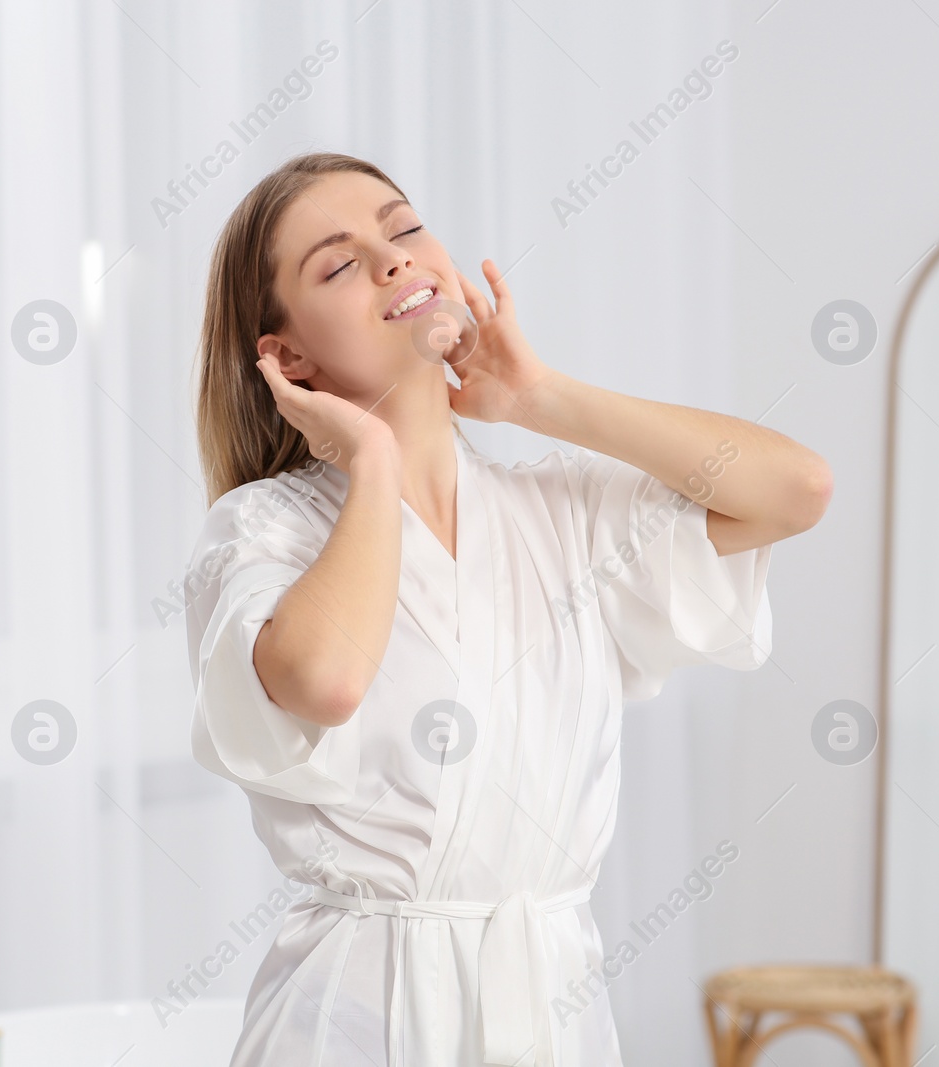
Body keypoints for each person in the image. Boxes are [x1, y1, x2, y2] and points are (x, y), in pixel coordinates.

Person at [183, 151, 831, 1067]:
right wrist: (371, 462)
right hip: (358, 1024)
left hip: (551, 1013)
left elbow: (794, 488)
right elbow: (323, 681)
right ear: (289, 358)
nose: (393, 259)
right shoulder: (261, 534)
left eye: (403, 229)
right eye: (338, 263)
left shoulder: (560, 513)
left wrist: (542, 398)